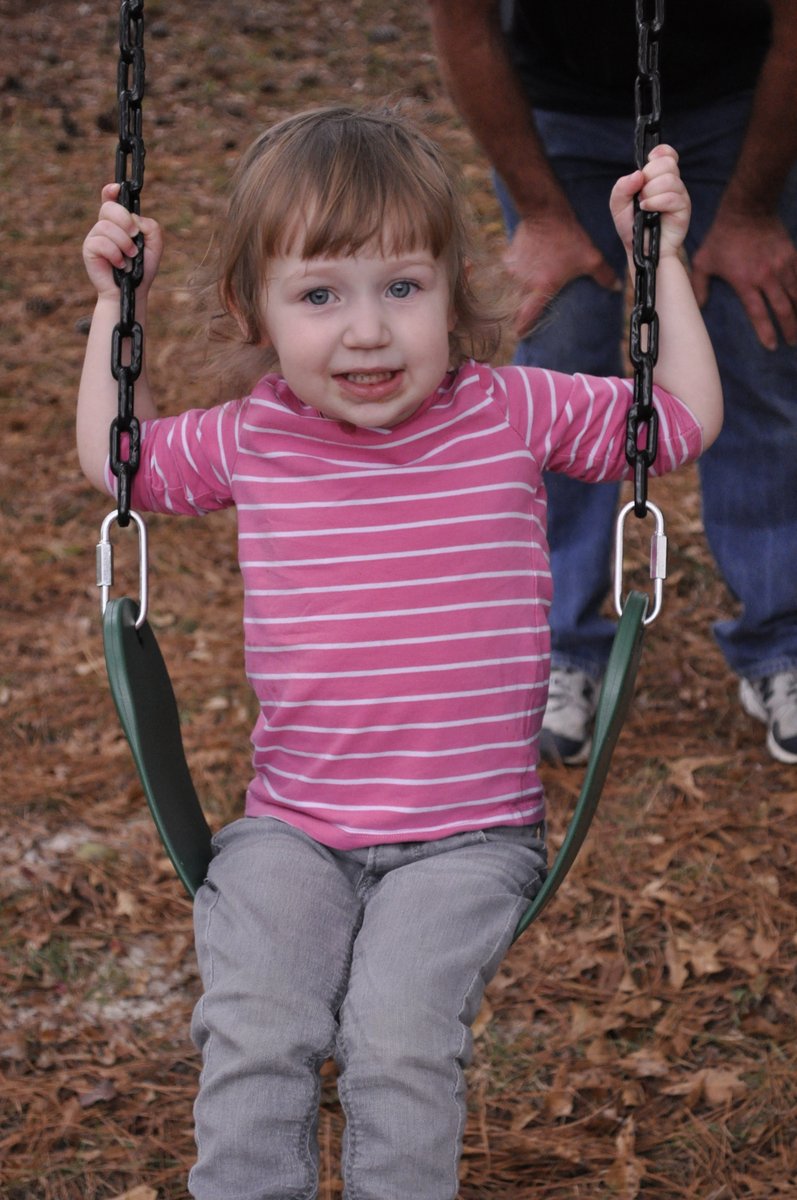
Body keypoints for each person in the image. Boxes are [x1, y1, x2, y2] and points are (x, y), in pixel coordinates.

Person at [77, 105, 721, 1199]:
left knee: (397, 1044)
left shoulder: (508, 411)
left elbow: (677, 423)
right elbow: (121, 463)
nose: (366, 331)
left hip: (465, 840)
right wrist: (112, 309)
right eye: (319, 295)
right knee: (255, 1031)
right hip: (292, 829)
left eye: (401, 288)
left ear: (452, 292)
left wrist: (651, 264)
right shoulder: (253, 432)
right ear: (257, 312)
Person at [430, 0, 797, 766]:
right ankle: (558, 644)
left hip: (741, 97)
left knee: (759, 349)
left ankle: (780, 642)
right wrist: (540, 213)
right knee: (556, 357)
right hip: (559, 107)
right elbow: (463, 28)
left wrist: (750, 212)